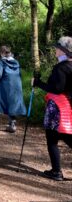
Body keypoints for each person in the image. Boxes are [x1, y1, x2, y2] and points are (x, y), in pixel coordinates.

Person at [32, 36, 72, 181]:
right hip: (68, 106)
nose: (55, 50)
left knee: (52, 139)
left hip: (57, 107)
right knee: (66, 135)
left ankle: (56, 172)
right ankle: (56, 171)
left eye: (57, 48)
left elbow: (56, 88)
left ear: (63, 51)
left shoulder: (60, 68)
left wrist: (38, 83)